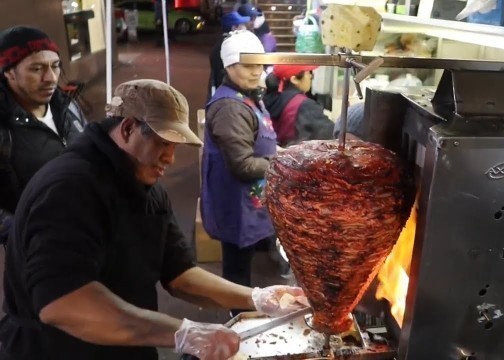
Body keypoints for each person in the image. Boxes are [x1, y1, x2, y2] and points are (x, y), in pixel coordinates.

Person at [0, 78, 306, 360]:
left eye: (175, 146)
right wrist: (181, 332)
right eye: (163, 143)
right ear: (129, 128)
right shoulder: (69, 188)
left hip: (127, 346)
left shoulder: (148, 188)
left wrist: (256, 297)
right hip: (58, 350)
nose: (170, 158)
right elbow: (64, 304)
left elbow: (179, 274)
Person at [201, 31, 278, 313]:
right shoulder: (229, 107)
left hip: (250, 202)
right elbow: (243, 165)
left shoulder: (247, 96)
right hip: (237, 206)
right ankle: (238, 326)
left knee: (245, 268)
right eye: (248, 66)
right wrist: (282, 162)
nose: (256, 72)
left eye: (259, 65)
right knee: (237, 275)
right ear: (229, 67)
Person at [0, 26, 85, 245]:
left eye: (55, 66)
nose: (51, 77)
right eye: (37, 69)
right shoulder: (4, 129)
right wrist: (23, 231)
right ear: (8, 72)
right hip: (41, 253)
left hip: (91, 235)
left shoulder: (69, 107)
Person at [263, 64, 334, 147]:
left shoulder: (268, 99)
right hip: (297, 157)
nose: (311, 76)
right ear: (294, 79)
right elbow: (330, 133)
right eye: (308, 73)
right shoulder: (303, 104)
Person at [208, 11, 251, 99]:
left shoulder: (223, 44)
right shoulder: (228, 47)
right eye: (242, 25)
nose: (245, 27)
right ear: (234, 27)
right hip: (228, 95)